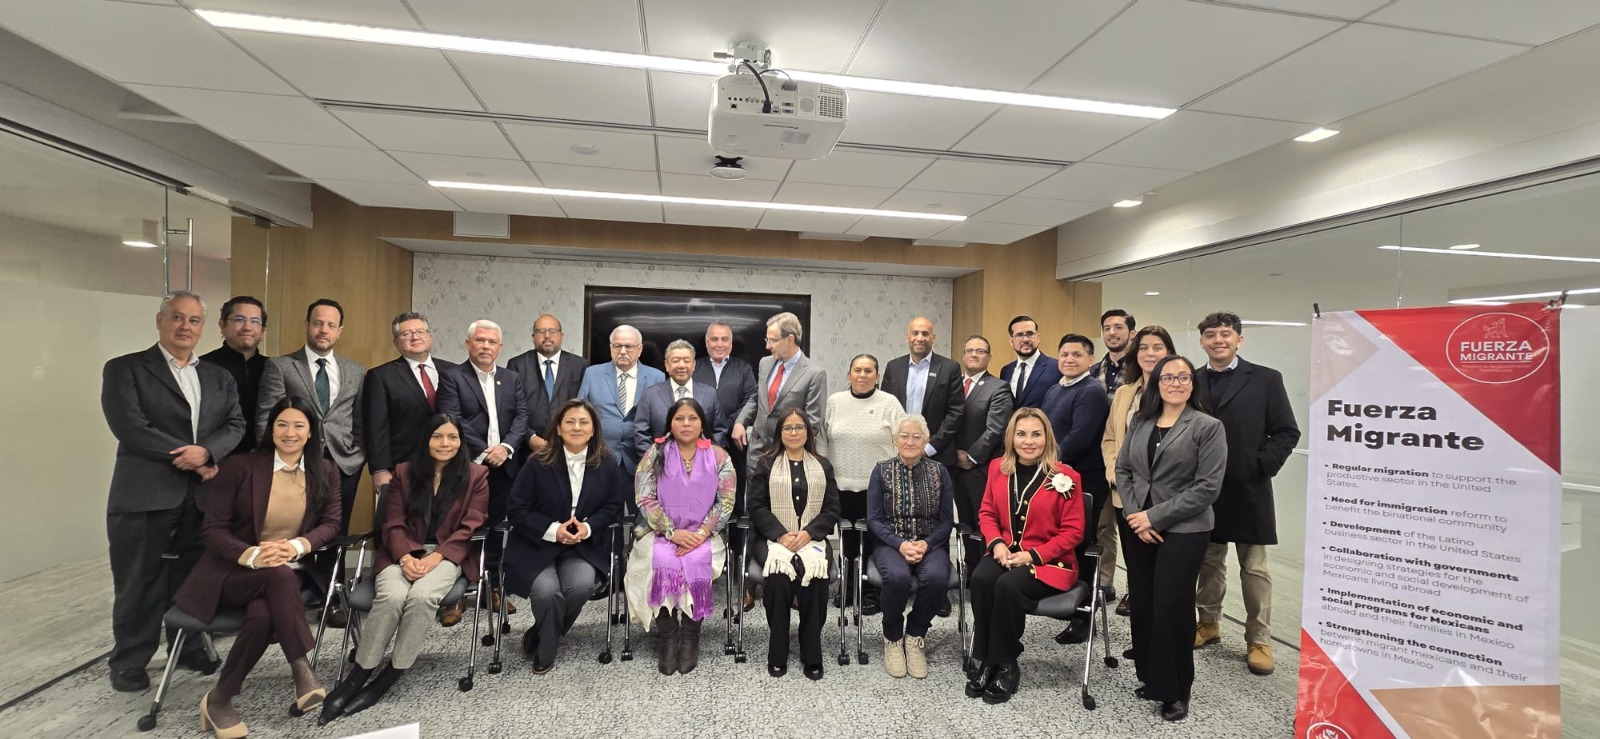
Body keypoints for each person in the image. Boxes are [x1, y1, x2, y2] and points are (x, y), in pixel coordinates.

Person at [173, 396, 341, 738]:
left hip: (286, 576)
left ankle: (219, 699)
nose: (289, 432)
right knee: (278, 577)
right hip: (231, 573)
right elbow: (214, 530)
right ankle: (301, 668)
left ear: (311, 433)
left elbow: (332, 522)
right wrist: (253, 554)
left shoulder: (324, 470)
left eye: (298, 425)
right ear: (271, 429)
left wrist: (295, 546)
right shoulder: (240, 467)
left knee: (265, 613)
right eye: (282, 424)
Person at [103, 291, 246, 693]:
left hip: (201, 496)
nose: (186, 327)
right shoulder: (126, 369)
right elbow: (129, 426)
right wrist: (190, 457)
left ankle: (186, 648)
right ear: (160, 320)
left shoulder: (218, 376)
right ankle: (130, 659)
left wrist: (209, 452)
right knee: (139, 580)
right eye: (177, 318)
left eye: (194, 320)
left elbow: (235, 425)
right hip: (146, 493)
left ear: (203, 326)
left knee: (194, 578)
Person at [320, 413, 489, 724]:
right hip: (401, 551)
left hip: (447, 554)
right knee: (393, 597)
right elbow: (392, 521)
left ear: (461, 442)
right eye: (438, 436)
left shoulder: (476, 475)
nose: (445, 443)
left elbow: (470, 527)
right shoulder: (404, 472)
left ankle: (394, 671)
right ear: (426, 439)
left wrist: (436, 557)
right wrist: (405, 557)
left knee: (423, 597)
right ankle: (361, 672)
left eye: (452, 437)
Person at [1117, 355, 1227, 722]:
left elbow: (1208, 487)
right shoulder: (1141, 421)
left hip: (1185, 529)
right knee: (1144, 603)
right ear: (1157, 383)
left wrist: (1154, 516)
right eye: (1168, 377)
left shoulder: (1208, 427)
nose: (1176, 383)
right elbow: (1124, 469)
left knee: (1172, 607)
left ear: (1192, 384)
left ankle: (1177, 689)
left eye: (1183, 377)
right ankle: (1151, 676)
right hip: (1140, 528)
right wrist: (1137, 517)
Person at [1191, 311, 1301, 676]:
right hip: (1204, 487)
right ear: (1202, 341)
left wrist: (1259, 466)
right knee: (1209, 561)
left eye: (1225, 334)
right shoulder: (1190, 380)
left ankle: (1259, 639)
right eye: (1210, 335)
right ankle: (1208, 623)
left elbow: (1286, 431)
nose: (1217, 340)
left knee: (1253, 566)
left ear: (1239, 339)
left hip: (1248, 487)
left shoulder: (1266, 379)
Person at [965, 407, 1085, 705]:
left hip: (1049, 562)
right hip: (1005, 552)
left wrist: (1032, 555)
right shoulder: (997, 468)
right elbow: (987, 512)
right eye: (1021, 434)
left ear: (1047, 437)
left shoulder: (1066, 477)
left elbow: (1073, 533)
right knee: (980, 578)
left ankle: (1006, 663)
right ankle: (986, 658)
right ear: (1011, 438)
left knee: (1008, 586)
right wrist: (996, 544)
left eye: (1036, 434)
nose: (1028, 441)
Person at [257, 298, 366, 620]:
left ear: (339, 331)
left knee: (335, 531)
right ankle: (288, 598)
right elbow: (266, 418)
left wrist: (357, 456)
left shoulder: (354, 370)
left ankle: (331, 599)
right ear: (307, 325)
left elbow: (358, 420)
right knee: (294, 528)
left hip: (342, 463)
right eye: (318, 323)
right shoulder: (281, 366)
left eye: (331, 325)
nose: (324, 330)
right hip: (295, 464)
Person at [502, 399, 627, 673]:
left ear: (594, 429)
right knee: (547, 593)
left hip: (582, 546)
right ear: (558, 428)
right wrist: (553, 530)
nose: (577, 427)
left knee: (580, 586)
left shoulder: (607, 463)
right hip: (537, 543)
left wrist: (589, 527)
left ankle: (539, 633)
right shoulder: (537, 462)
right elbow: (517, 509)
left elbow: (613, 507)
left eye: (584, 422)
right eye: (569, 422)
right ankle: (546, 651)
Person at [625, 398, 735, 675]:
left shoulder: (720, 456)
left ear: (702, 424)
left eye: (692, 419)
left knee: (696, 562)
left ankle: (689, 637)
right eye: (679, 419)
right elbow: (645, 496)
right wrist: (672, 532)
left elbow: (726, 501)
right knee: (655, 560)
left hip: (704, 535)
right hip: (659, 531)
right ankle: (668, 635)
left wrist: (701, 533)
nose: (686, 424)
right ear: (670, 424)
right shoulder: (656, 453)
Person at [438, 319, 529, 620]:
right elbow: (453, 419)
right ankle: (456, 593)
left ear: (500, 347)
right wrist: (485, 451)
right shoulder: (452, 377)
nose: (486, 346)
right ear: (468, 344)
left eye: (492, 342)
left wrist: (507, 448)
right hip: (468, 465)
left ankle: (492, 585)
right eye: (480, 340)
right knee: (462, 527)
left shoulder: (511, 378)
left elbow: (521, 417)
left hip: (505, 466)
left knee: (494, 529)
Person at [747, 408, 841, 680]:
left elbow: (832, 508)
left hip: (812, 538)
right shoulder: (766, 464)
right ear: (780, 433)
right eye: (788, 428)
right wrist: (780, 534)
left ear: (808, 432)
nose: (794, 432)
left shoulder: (822, 465)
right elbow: (756, 506)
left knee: (815, 576)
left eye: (799, 427)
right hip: (771, 538)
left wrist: (809, 533)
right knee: (777, 576)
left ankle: (811, 650)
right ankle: (778, 649)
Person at [864, 415, 954, 680]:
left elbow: (947, 519)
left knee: (938, 577)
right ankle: (892, 637)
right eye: (904, 436)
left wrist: (926, 543)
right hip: (891, 542)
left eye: (917, 436)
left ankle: (915, 635)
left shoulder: (940, 471)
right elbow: (874, 520)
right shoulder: (881, 471)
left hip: (930, 542)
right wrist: (901, 544)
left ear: (926, 440)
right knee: (898, 577)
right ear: (894, 440)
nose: (910, 441)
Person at [1100, 324, 1177, 618]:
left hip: (1165, 499)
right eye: (1143, 347)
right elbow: (1110, 437)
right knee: (1137, 568)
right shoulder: (1124, 393)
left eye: (1158, 347)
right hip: (1126, 494)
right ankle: (1142, 638)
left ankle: (1161, 633)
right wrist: (1114, 474)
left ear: (1169, 352)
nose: (1150, 353)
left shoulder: (1178, 391)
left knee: (1165, 571)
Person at [1040, 334, 1111, 644]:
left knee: (1082, 547)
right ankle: (1064, 602)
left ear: (1090, 360)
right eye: (1065, 353)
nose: (1069, 359)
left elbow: (1080, 437)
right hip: (1057, 479)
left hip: (1084, 482)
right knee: (1061, 543)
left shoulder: (1092, 391)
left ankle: (1083, 617)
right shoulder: (1055, 390)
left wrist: (1046, 462)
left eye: (1077, 355)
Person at [818, 353, 902, 615]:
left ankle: (870, 590)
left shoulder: (889, 403)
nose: (862, 375)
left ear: (877, 376)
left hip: (877, 487)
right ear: (848, 374)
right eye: (857, 370)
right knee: (847, 539)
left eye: (868, 371)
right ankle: (848, 585)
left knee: (874, 539)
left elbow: (904, 440)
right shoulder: (835, 402)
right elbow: (822, 440)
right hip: (840, 485)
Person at [363, 312, 457, 494]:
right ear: (395, 342)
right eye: (406, 334)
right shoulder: (381, 376)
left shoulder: (453, 371)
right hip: (405, 464)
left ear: (429, 336)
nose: (415, 337)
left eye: (420, 332)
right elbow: (376, 427)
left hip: (450, 463)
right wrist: (380, 469)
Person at [734, 312, 827, 478]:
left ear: (790, 339)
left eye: (773, 340)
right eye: (767, 340)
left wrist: (789, 446)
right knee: (755, 503)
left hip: (789, 456)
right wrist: (741, 422)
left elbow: (813, 423)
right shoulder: (765, 363)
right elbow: (757, 398)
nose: (768, 346)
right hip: (757, 453)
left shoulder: (814, 374)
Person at [952, 335, 1014, 572]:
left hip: (981, 467)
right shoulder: (953, 383)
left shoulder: (998, 387)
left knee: (983, 521)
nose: (974, 355)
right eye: (970, 350)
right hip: (954, 466)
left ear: (989, 357)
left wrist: (970, 456)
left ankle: (984, 571)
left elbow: (996, 429)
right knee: (964, 521)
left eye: (981, 351)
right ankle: (969, 568)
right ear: (963, 355)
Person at [578, 324, 665, 476]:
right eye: (617, 346)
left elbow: (660, 419)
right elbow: (580, 413)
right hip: (599, 458)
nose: (623, 351)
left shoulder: (656, 377)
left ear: (640, 349)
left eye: (629, 346)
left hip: (640, 460)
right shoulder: (592, 374)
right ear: (611, 348)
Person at [881, 317, 964, 467]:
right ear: (907, 337)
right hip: (897, 453)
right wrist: (897, 444)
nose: (920, 338)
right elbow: (885, 409)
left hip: (937, 455)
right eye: (915, 333)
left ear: (933, 338)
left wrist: (929, 448)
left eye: (925, 334)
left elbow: (955, 412)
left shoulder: (949, 368)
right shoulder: (894, 367)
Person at [505, 314, 588, 458]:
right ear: (533, 336)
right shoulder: (517, 365)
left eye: (553, 331)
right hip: (527, 449)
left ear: (561, 336)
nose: (547, 336)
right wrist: (529, 437)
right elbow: (510, 408)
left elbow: (585, 407)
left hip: (568, 447)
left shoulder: (580, 365)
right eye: (541, 331)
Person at [633, 339, 727, 455]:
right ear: (667, 365)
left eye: (686, 361)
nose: (681, 365)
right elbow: (641, 432)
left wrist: (708, 458)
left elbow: (719, 431)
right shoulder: (650, 395)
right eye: (676, 361)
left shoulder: (710, 394)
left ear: (693, 365)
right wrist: (655, 461)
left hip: (703, 466)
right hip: (661, 465)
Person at [200, 295, 268, 456]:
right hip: (217, 458)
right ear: (222, 325)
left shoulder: (273, 368)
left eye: (255, 321)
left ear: (263, 330)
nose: (247, 327)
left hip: (263, 459)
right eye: (239, 319)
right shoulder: (203, 366)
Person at [998, 315, 1061, 410]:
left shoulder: (1056, 367)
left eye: (1030, 334)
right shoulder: (1006, 371)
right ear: (1011, 341)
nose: (1025, 339)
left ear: (1038, 337)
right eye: (1019, 335)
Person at [1092, 309, 1135, 402]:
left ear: (1132, 334)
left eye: (1118, 327)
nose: (1111, 332)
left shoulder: (1140, 369)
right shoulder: (1093, 371)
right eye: (1107, 328)